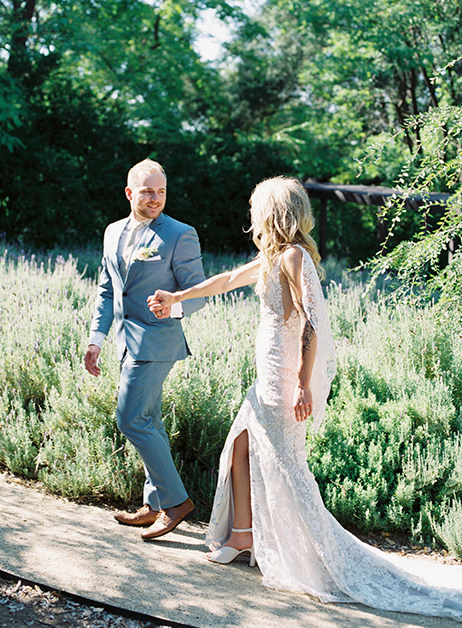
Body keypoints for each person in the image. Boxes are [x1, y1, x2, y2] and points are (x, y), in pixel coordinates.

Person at [148, 176, 462, 622]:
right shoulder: (272, 255)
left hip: (283, 379)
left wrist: (301, 384)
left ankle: (304, 551)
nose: (252, 214)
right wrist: (178, 296)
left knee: (286, 466)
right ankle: (243, 535)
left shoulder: (295, 257)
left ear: (273, 212)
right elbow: (227, 279)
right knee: (240, 447)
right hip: (266, 376)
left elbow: (312, 323)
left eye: (258, 207)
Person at [85, 159, 206, 540]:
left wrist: (176, 305)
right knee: (149, 420)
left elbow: (199, 291)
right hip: (125, 341)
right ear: (129, 193)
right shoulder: (112, 233)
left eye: (161, 192)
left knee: (130, 418)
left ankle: (176, 503)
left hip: (158, 341)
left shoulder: (180, 234)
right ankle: (153, 505)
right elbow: (108, 291)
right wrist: (96, 339)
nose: (156, 199)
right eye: (148, 191)